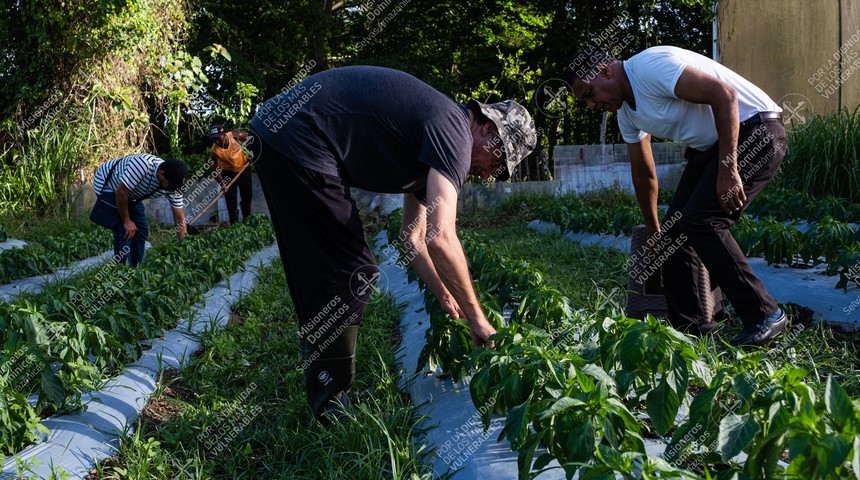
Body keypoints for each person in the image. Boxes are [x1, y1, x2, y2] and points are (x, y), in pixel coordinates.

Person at [248, 65, 536, 421]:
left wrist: (445, 296)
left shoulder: (435, 137)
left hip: (282, 130)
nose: (490, 174)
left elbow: (411, 237)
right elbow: (441, 236)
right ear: (489, 130)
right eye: (498, 162)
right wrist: (479, 320)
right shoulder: (455, 133)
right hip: (297, 133)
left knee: (327, 265)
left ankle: (330, 388)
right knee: (348, 268)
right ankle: (330, 402)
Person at [567, 46, 787, 347]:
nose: (592, 104)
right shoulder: (627, 116)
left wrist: (727, 169)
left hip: (755, 130)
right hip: (710, 148)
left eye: (589, 94)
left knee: (702, 220)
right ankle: (693, 329)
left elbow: (725, 95)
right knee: (673, 233)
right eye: (585, 102)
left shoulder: (650, 68)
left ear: (605, 71)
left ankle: (765, 314)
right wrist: (654, 228)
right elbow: (644, 174)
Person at [92, 154, 188, 266]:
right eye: (172, 184)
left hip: (130, 193)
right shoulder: (143, 165)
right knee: (124, 231)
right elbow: (121, 192)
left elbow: (179, 218)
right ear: (161, 174)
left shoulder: (173, 185)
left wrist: (184, 247)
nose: (173, 188)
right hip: (107, 183)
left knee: (141, 230)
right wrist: (127, 221)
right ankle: (121, 272)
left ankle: (135, 269)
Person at [209, 124, 252, 224]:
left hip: (243, 169)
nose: (216, 141)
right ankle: (235, 225)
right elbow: (216, 170)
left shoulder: (233, 135)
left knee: (247, 196)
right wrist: (222, 183)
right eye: (214, 139)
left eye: (218, 138)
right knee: (231, 201)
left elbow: (250, 137)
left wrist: (250, 153)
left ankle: (248, 222)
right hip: (228, 174)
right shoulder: (216, 151)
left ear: (224, 134)